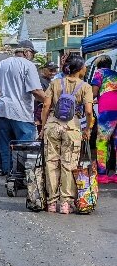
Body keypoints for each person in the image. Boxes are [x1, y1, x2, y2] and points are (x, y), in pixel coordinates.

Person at [0, 40, 46, 176]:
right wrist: (51, 101)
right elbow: (36, 91)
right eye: (32, 53)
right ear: (27, 52)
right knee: (24, 145)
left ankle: (7, 173)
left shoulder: (3, 63)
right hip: (20, 112)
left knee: (5, 142)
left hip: (2, 111)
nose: (32, 56)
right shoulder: (28, 65)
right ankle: (20, 175)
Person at [40, 54, 94, 214]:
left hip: (52, 126)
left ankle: (51, 202)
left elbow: (46, 106)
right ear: (79, 68)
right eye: (84, 66)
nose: (86, 69)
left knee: (51, 163)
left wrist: (43, 127)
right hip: (72, 128)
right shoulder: (85, 87)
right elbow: (89, 111)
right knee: (68, 164)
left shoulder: (55, 83)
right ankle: (65, 203)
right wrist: (88, 129)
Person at [90, 55, 117, 184]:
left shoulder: (99, 73)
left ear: (98, 65)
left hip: (107, 110)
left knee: (102, 141)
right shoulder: (115, 74)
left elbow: (94, 92)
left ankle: (102, 175)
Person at [35, 61, 59, 134]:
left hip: (48, 109)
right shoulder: (40, 81)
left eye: (55, 70)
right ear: (44, 69)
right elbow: (42, 98)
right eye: (51, 70)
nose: (53, 73)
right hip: (41, 110)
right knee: (43, 133)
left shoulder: (50, 81)